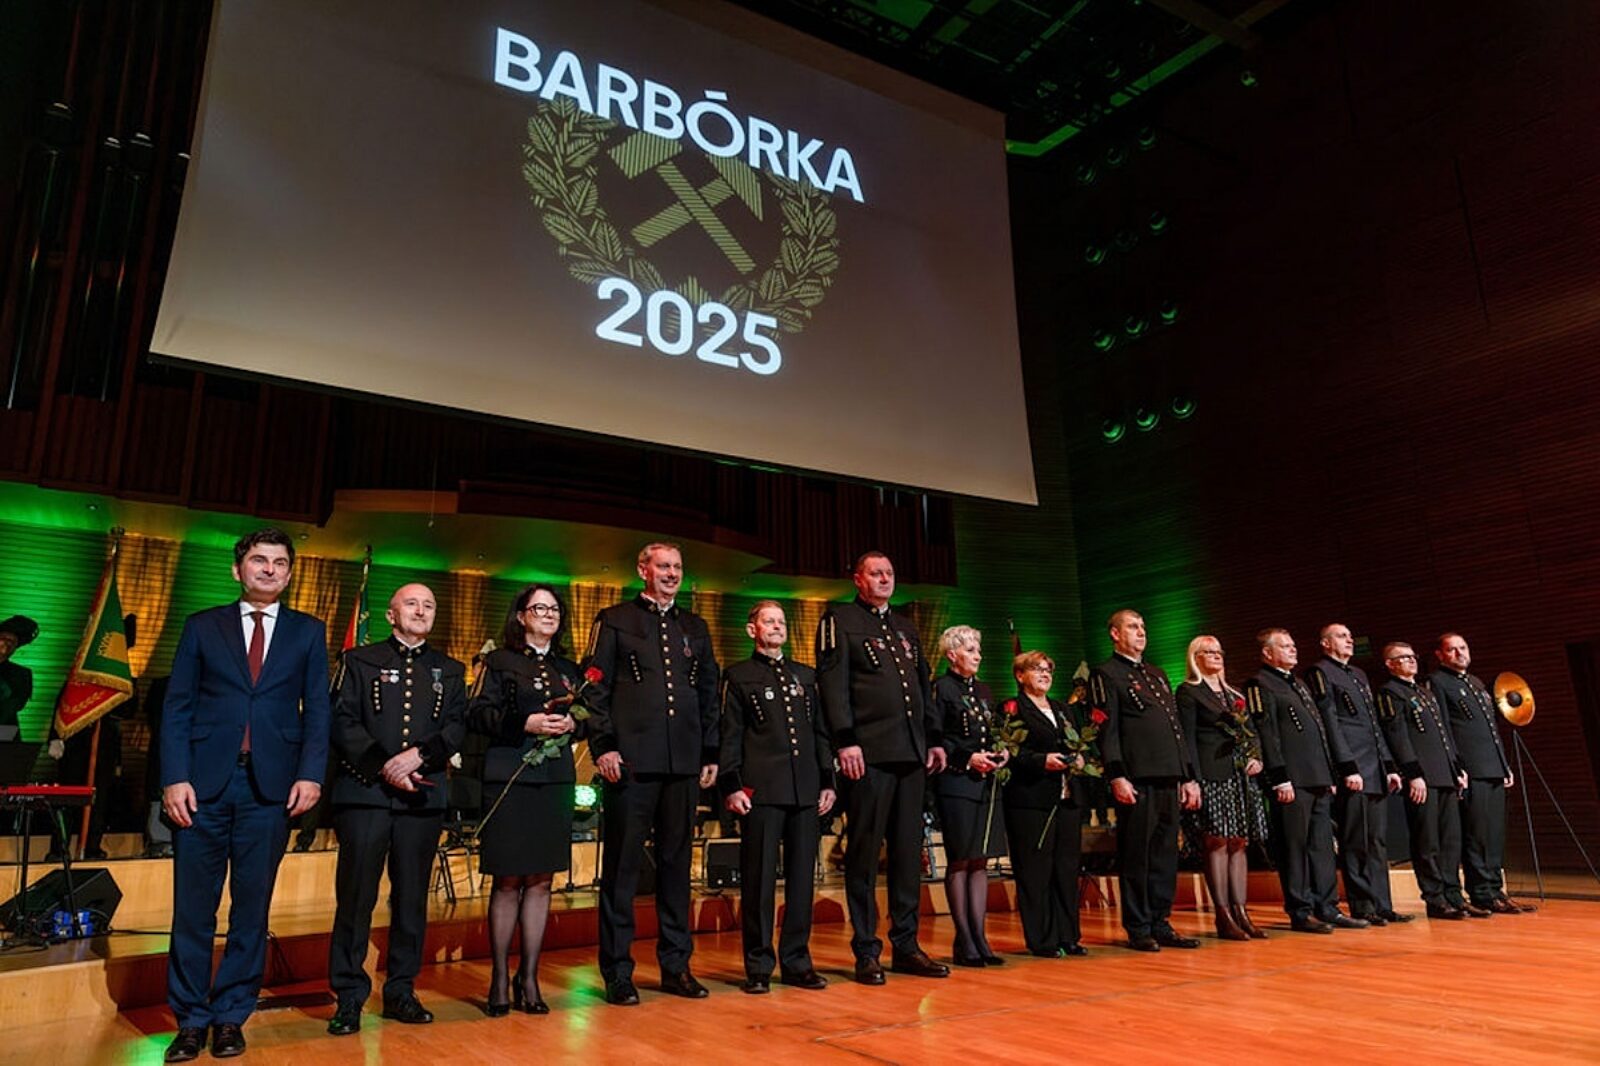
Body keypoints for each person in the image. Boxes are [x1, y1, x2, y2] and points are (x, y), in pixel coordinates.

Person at [159, 529, 330, 1062]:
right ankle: (191, 1020)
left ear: (289, 573)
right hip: (202, 787)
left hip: (271, 789)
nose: (269, 569)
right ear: (238, 569)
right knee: (193, 909)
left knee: (251, 909)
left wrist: (311, 775)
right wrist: (174, 777)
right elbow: (177, 706)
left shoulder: (308, 631)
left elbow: (318, 710)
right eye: (259, 560)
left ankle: (231, 1015)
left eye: (280, 562)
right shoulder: (202, 626)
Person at [325, 583, 466, 1036]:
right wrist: (385, 766)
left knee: (411, 899)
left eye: (429, 605)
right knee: (355, 898)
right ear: (390, 614)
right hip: (365, 794)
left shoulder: (451, 669)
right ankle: (349, 996)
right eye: (411, 603)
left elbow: (456, 727)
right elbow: (341, 719)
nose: (421, 611)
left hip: (422, 797)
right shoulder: (358, 660)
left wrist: (418, 757)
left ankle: (401, 990)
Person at [583, 544, 719, 1006]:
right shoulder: (614, 619)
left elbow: (708, 692)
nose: (671, 573)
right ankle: (618, 972)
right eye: (663, 566)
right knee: (622, 870)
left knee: (677, 869)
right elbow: (594, 687)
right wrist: (603, 745)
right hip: (631, 764)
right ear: (643, 569)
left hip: (683, 763)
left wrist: (710, 751)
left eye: (678, 567)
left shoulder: (695, 627)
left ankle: (676, 966)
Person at [815, 551, 949, 984]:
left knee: (908, 854)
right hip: (868, 755)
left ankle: (906, 946)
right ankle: (866, 950)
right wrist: (845, 740)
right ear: (858, 579)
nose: (885, 579)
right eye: (876, 573)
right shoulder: (839, 620)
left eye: (889, 573)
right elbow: (832, 685)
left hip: (911, 754)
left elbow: (923, 687)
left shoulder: (906, 627)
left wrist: (933, 738)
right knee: (864, 854)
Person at [469, 584, 584, 1015]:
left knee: (541, 881)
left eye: (555, 609)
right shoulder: (498, 661)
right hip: (509, 778)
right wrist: (525, 722)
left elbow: (595, 716)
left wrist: (576, 724)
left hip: (554, 781)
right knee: (507, 880)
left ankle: (529, 977)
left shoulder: (570, 668)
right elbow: (477, 713)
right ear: (520, 616)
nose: (549, 614)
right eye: (539, 608)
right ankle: (500, 978)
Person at [718, 601, 835, 994]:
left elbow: (821, 733)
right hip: (761, 791)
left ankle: (798, 962)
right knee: (759, 880)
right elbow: (730, 735)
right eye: (769, 621)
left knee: (802, 881)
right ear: (752, 630)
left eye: (781, 621)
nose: (776, 627)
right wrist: (732, 785)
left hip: (805, 790)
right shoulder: (738, 675)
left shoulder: (806, 676)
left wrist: (828, 781)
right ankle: (758, 965)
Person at [1090, 609, 1200, 952]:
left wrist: (1187, 776)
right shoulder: (1106, 673)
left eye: (1142, 626)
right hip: (1137, 777)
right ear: (1115, 634)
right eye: (1132, 627)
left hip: (1169, 774)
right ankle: (1139, 927)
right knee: (1137, 854)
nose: (1141, 632)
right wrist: (1116, 774)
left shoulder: (1156, 673)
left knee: (1165, 854)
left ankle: (1160, 921)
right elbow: (1107, 730)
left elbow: (1175, 728)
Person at [1246, 629, 1363, 934]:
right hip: (1292, 780)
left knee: (1322, 847)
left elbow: (1319, 732)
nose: (1293, 650)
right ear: (1267, 653)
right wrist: (1279, 778)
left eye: (1293, 645)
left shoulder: (1297, 682)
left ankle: (1328, 907)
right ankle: (1300, 910)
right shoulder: (1260, 684)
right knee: (1294, 848)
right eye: (1285, 646)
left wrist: (1329, 773)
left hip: (1317, 777)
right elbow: (1267, 733)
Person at [1307, 624, 1411, 925]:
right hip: (1354, 767)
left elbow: (1374, 725)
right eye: (1342, 636)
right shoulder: (1320, 672)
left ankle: (1382, 904)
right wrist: (1346, 766)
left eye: (1350, 636)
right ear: (1326, 644)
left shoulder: (1359, 674)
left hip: (1374, 767)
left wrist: (1388, 765)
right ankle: (1363, 905)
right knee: (1356, 841)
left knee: (1377, 840)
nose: (1349, 640)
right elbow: (1330, 722)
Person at [1428, 633, 1531, 914]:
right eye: (1452, 650)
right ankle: (1482, 892)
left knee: (1494, 833)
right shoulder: (1438, 682)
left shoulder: (1474, 682)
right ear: (1440, 655)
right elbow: (1444, 729)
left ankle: (1495, 889)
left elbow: (1491, 729)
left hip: (1492, 767)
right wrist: (1456, 766)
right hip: (1471, 768)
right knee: (1477, 833)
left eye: (1463, 647)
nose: (1460, 653)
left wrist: (1503, 764)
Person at [1376, 642, 1479, 920]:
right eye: (1403, 657)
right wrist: (1413, 774)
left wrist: (1456, 768)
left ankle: (1454, 895)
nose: (1411, 660)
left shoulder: (1424, 691)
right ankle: (1435, 899)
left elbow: (1444, 736)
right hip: (1422, 778)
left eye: (1412, 656)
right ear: (1390, 664)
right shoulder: (1390, 692)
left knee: (1451, 841)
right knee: (1428, 840)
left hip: (1444, 775)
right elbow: (1397, 735)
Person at [1177, 635, 1269, 941]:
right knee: (1216, 841)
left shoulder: (1234, 694)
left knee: (1239, 842)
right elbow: (1187, 739)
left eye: (1219, 651)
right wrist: (1192, 779)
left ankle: (1241, 911)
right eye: (1209, 652)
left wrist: (1255, 757)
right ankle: (1223, 914)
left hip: (1239, 776)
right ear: (1196, 658)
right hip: (1211, 775)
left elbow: (1252, 732)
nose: (1217, 656)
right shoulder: (1189, 692)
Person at [1004, 651, 1090, 958]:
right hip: (1031, 800)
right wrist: (1042, 761)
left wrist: (1080, 758)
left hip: (1066, 799)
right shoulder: (1012, 709)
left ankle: (1069, 936)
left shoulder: (1062, 709)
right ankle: (1043, 939)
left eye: (1048, 670)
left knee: (1066, 869)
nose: (1045, 674)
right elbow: (1010, 753)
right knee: (1035, 871)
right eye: (1037, 669)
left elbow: (1078, 743)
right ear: (1020, 675)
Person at [931, 625, 1007, 966]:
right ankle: (964, 940)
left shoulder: (984, 690)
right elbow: (935, 736)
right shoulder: (941, 688)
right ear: (952, 655)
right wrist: (966, 757)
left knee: (980, 860)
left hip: (986, 781)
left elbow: (992, 731)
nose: (978, 655)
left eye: (978, 649)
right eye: (970, 650)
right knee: (961, 859)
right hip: (956, 781)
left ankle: (980, 936)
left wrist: (1002, 751)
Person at [0, 614, 38, 737]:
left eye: (12, 642)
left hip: (5, 735)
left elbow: (15, 705)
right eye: (4, 638)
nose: (7, 643)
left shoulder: (22, 674)